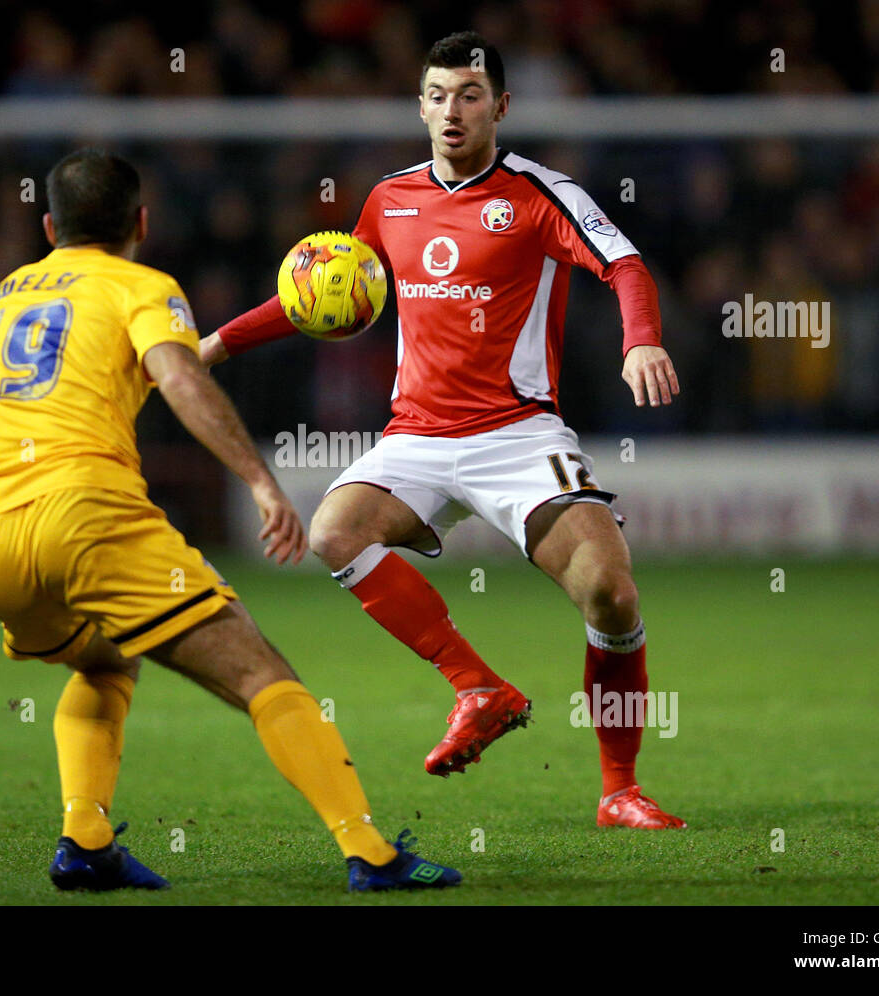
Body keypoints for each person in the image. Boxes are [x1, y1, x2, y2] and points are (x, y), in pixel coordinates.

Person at [202, 32, 685, 829]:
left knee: (612, 593)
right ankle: (477, 686)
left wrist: (641, 338)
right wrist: (218, 344)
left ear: (501, 105)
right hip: (417, 436)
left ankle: (619, 790)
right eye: (436, 95)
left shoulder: (542, 193)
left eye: (468, 94)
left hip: (520, 432)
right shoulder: (388, 199)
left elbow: (624, 265)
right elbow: (318, 290)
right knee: (335, 530)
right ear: (418, 105)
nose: (451, 111)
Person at [0, 147, 461, 891]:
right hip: (84, 512)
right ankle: (370, 853)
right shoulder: (141, 285)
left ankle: (84, 842)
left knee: (103, 655)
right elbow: (180, 377)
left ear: (51, 225)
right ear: (142, 222)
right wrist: (260, 481)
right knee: (260, 672)